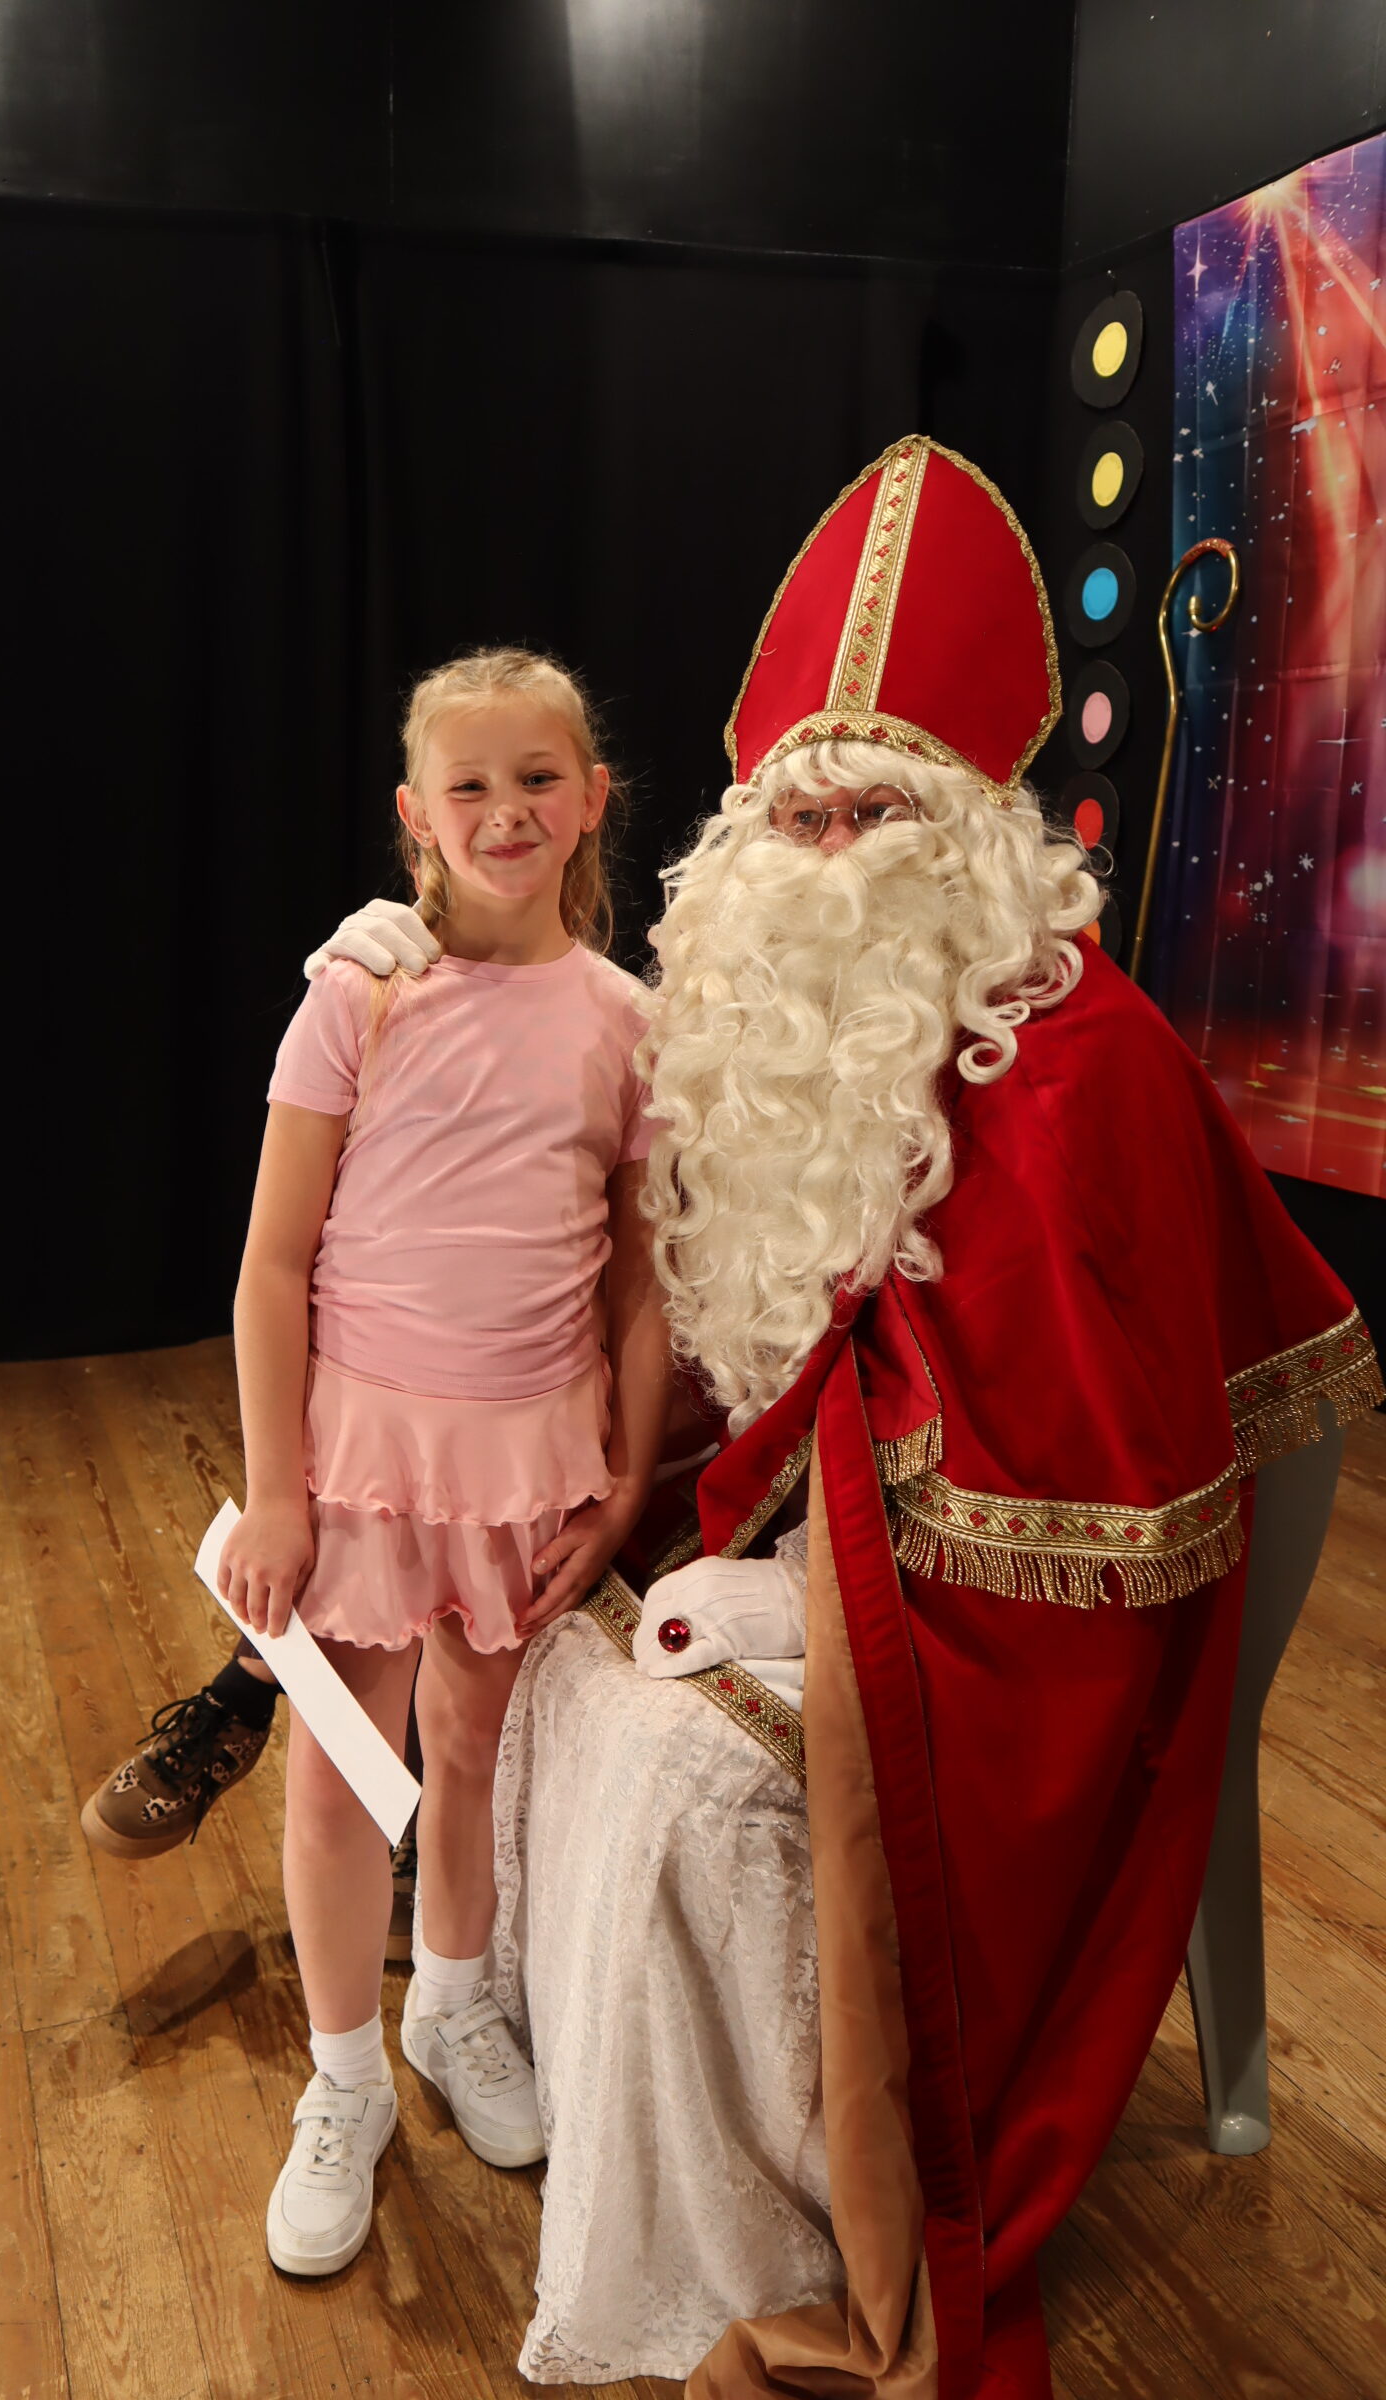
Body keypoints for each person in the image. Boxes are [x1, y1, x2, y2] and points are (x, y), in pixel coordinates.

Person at [314, 438, 1382, 2396]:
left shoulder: (1076, 1061)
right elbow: (723, 1286)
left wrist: (785, 1587)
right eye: (793, 816)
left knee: (671, 1768)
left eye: (870, 814)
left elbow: (1083, 1496)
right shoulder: (755, 1017)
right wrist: (409, 943)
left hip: (1012, 1640)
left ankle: (766, 2214)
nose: (822, 858)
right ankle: (505, 2033)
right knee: (541, 1628)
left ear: (966, 830)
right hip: (824, 1520)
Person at [205, 645, 671, 2280]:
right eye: (469, 785)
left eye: (538, 779)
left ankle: (455, 2011)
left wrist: (626, 1479)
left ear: (592, 798)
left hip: (529, 1457)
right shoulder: (361, 996)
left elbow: (637, 1276)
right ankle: (343, 2080)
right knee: (344, 1778)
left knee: (471, 1749)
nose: (506, 810)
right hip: (361, 1460)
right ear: (416, 813)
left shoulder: (627, 1024)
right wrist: (279, 1493)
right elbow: (273, 1265)